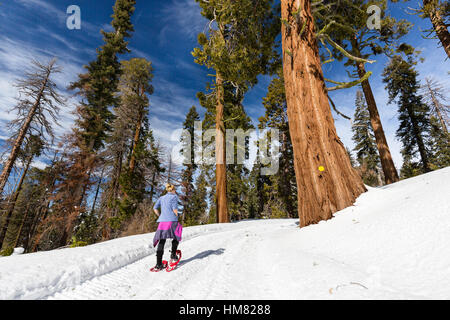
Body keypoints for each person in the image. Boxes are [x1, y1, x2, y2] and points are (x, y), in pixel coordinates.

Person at [152, 183, 183, 271]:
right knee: (177, 234)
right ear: (173, 190)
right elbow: (174, 209)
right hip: (172, 220)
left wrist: (160, 216)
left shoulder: (161, 198)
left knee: (162, 240)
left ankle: (159, 264)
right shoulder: (174, 197)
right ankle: (173, 255)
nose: (175, 192)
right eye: (175, 190)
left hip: (162, 222)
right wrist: (177, 216)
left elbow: (155, 208)